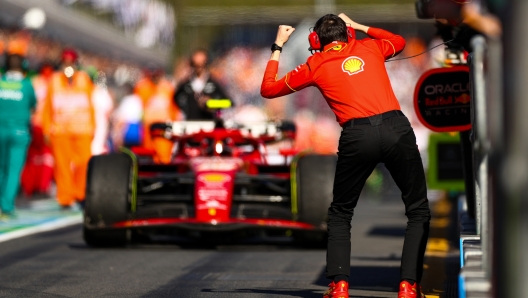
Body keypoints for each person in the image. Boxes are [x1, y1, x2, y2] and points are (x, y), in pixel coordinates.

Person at [260, 14, 431, 298]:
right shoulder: (369, 47)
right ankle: (408, 285)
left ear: (315, 41)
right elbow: (398, 41)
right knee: (417, 209)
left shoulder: (314, 64)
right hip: (395, 128)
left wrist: (278, 46)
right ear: (349, 34)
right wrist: (361, 26)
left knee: (340, 213)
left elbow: (268, 89)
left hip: (357, 135)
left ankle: (339, 286)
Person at [42, 48, 95, 209]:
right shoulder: (54, 80)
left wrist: (93, 126)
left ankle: (80, 193)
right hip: (60, 131)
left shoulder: (84, 80)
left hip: (82, 130)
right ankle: (65, 197)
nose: (68, 66)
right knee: (62, 166)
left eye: (71, 63)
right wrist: (46, 129)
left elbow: (91, 105)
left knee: (84, 163)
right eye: (65, 63)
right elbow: (47, 108)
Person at [0, 51, 36, 218]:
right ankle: (6, 206)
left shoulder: (1, 82)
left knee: (1, 168)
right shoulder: (26, 85)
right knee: (13, 170)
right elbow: (33, 105)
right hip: (19, 132)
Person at [173, 49, 229, 120]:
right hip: (190, 124)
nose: (199, 67)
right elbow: (175, 99)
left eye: (202, 63)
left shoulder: (213, 83)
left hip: (209, 124)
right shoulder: (186, 85)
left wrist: (211, 103)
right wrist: (185, 109)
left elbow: (227, 103)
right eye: (196, 64)